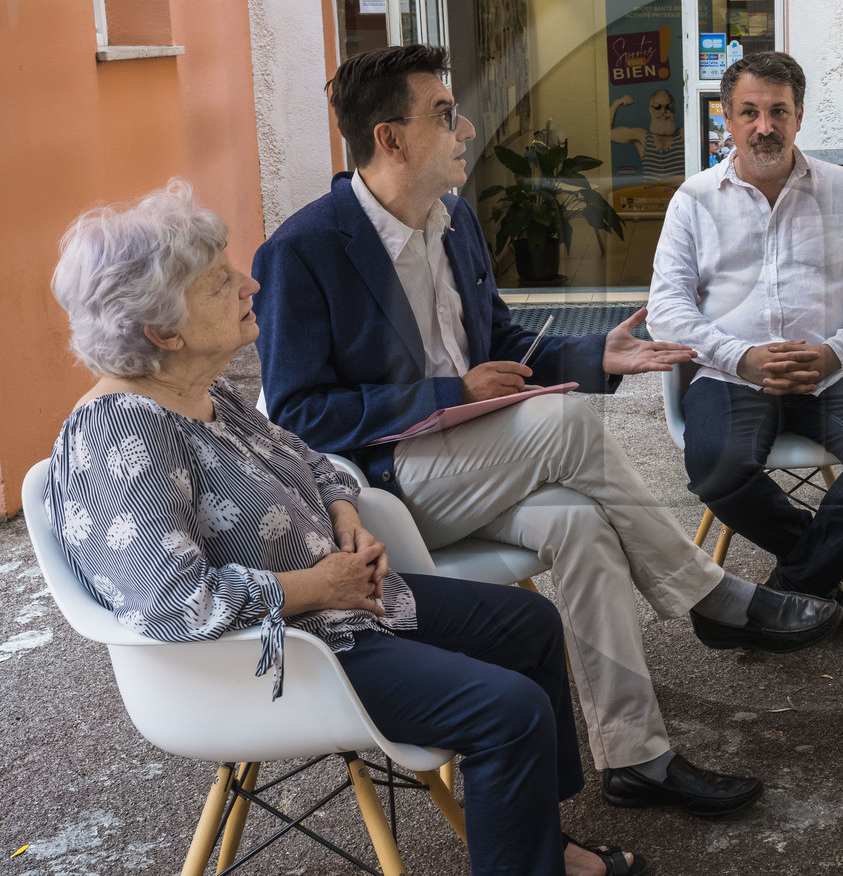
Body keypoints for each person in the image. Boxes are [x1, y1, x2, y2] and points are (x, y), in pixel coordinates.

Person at [253, 44, 841, 820]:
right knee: (562, 420)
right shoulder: (303, 249)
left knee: (583, 524)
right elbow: (297, 414)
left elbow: (502, 342)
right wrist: (449, 391)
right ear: (390, 139)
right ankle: (710, 594)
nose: (466, 128)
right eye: (444, 114)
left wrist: (598, 354)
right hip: (388, 488)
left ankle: (638, 757)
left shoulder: (454, 221)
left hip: (478, 462)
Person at [44, 182, 645, 876]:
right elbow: (173, 602)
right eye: (219, 282)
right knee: (508, 711)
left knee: (531, 624)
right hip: (280, 657)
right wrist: (318, 584)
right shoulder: (119, 434)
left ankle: (537, 843)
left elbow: (307, 457)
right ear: (163, 331)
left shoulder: (201, 394)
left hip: (343, 611)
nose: (249, 283)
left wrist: (345, 514)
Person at [648, 51, 843, 633]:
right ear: (727, 118)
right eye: (749, 112)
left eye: (778, 111)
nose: (764, 126)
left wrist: (834, 352)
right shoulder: (693, 199)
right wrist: (740, 358)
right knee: (715, 466)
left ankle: (783, 597)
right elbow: (666, 308)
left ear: (799, 116)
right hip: (732, 376)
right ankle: (827, 576)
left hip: (831, 371)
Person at [610, 89, 684, 180]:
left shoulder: (684, 135)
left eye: (668, 106)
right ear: (651, 111)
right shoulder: (643, 138)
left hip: (679, 189)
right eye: (658, 107)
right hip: (650, 189)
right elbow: (608, 133)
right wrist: (617, 103)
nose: (663, 111)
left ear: (673, 110)